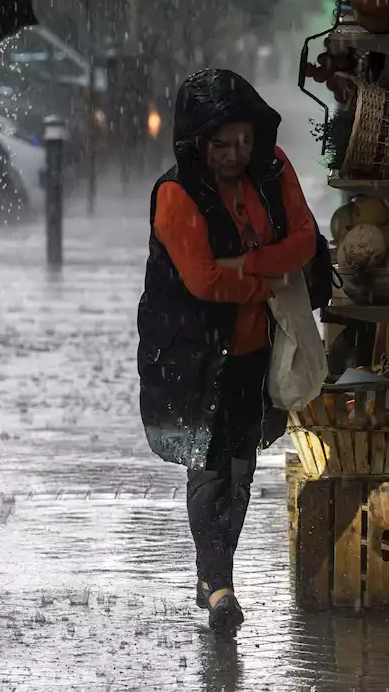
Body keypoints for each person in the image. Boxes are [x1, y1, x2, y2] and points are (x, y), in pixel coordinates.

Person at [136, 69, 317, 630]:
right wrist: (267, 279)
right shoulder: (175, 193)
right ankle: (219, 587)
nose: (235, 154)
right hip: (193, 354)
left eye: (244, 140)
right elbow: (202, 280)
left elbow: (305, 241)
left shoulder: (274, 169)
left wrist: (249, 264)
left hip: (254, 350)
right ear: (196, 142)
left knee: (240, 467)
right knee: (209, 467)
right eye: (221, 144)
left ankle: (215, 573)